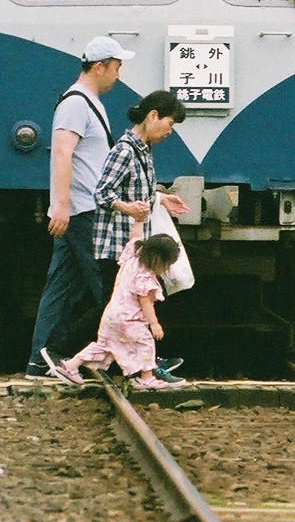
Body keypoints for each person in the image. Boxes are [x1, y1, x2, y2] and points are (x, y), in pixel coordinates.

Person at [24, 35, 133, 380]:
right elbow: (61, 152)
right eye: (116, 67)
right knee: (113, 289)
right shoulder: (75, 104)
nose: (118, 75)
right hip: (84, 210)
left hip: (82, 208)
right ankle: (136, 363)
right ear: (99, 67)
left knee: (61, 288)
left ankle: (41, 361)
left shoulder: (88, 102)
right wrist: (60, 206)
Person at [92, 89, 192, 383]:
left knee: (126, 308)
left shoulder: (143, 149)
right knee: (119, 308)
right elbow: (102, 193)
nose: (170, 132)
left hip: (134, 244)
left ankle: (141, 364)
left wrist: (160, 198)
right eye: (169, 124)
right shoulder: (125, 150)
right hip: (117, 243)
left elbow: (138, 190)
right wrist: (129, 209)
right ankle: (63, 353)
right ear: (152, 116)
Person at [42, 233, 186, 390]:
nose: (166, 269)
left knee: (104, 346)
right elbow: (145, 303)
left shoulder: (132, 258)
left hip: (110, 317)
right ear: (157, 259)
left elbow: (135, 236)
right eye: (166, 265)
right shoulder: (146, 278)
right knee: (146, 344)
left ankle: (70, 365)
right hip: (129, 321)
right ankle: (147, 378)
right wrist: (154, 323)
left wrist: (138, 222)